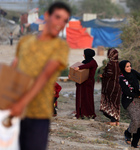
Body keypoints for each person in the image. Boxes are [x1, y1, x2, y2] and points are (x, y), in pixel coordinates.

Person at [10, 2, 71, 150]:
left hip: (37, 113)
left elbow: (44, 77)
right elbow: (14, 70)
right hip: (13, 108)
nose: (60, 23)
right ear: (47, 16)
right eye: (57, 17)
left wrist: (21, 104)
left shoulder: (60, 46)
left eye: (65, 20)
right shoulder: (25, 41)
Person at [119, 60, 140, 148]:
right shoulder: (121, 78)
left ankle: (135, 143)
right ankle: (128, 133)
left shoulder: (133, 72)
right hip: (129, 101)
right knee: (136, 120)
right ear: (123, 68)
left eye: (130, 66)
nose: (129, 68)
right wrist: (139, 96)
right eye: (127, 66)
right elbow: (127, 92)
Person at [74, 49, 98, 119]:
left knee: (88, 98)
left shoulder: (93, 62)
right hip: (81, 83)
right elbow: (79, 72)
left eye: (84, 54)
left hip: (88, 83)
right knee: (80, 98)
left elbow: (87, 66)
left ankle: (89, 114)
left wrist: (79, 67)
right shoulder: (84, 62)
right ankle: (81, 113)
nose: (83, 55)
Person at [100, 48, 121, 126]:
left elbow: (109, 74)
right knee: (116, 103)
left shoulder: (110, 64)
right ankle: (116, 121)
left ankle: (112, 121)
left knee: (111, 102)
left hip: (110, 86)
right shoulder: (119, 64)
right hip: (118, 86)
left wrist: (103, 75)